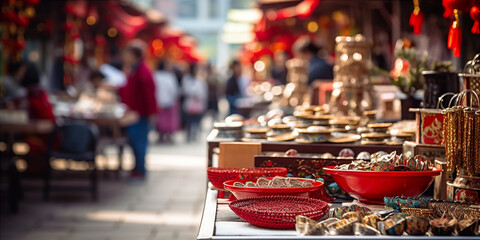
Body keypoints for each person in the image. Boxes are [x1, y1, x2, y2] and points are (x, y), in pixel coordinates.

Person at [118, 45, 157, 180]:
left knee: (139, 142)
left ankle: (140, 171)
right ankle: (137, 169)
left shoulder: (142, 71)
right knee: (135, 142)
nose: (124, 57)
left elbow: (149, 95)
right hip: (135, 113)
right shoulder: (135, 70)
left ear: (134, 55)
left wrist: (152, 113)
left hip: (140, 114)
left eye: (127, 54)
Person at [18, 62, 56, 176]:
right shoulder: (39, 92)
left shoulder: (33, 94)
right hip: (49, 133)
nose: (19, 74)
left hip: (45, 136)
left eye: (22, 71)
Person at [153, 60, 180, 143]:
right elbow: (174, 90)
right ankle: (168, 135)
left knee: (159, 120)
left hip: (157, 101)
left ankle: (160, 135)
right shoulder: (170, 77)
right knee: (168, 120)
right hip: (169, 101)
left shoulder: (154, 75)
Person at [182, 63, 207, 142]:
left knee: (196, 121)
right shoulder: (187, 79)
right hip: (190, 104)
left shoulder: (200, 80)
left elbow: (203, 93)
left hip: (198, 104)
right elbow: (185, 90)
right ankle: (189, 135)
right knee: (189, 121)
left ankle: (195, 134)